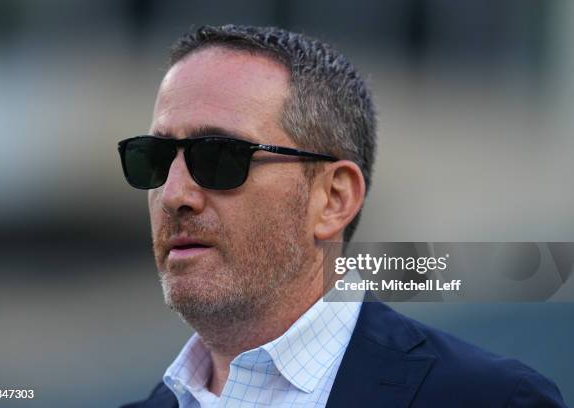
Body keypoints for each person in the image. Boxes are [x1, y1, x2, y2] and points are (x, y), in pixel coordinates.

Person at [118, 25, 566, 407]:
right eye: (154, 159)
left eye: (218, 157)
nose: (174, 193)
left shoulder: (492, 399)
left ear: (333, 199)